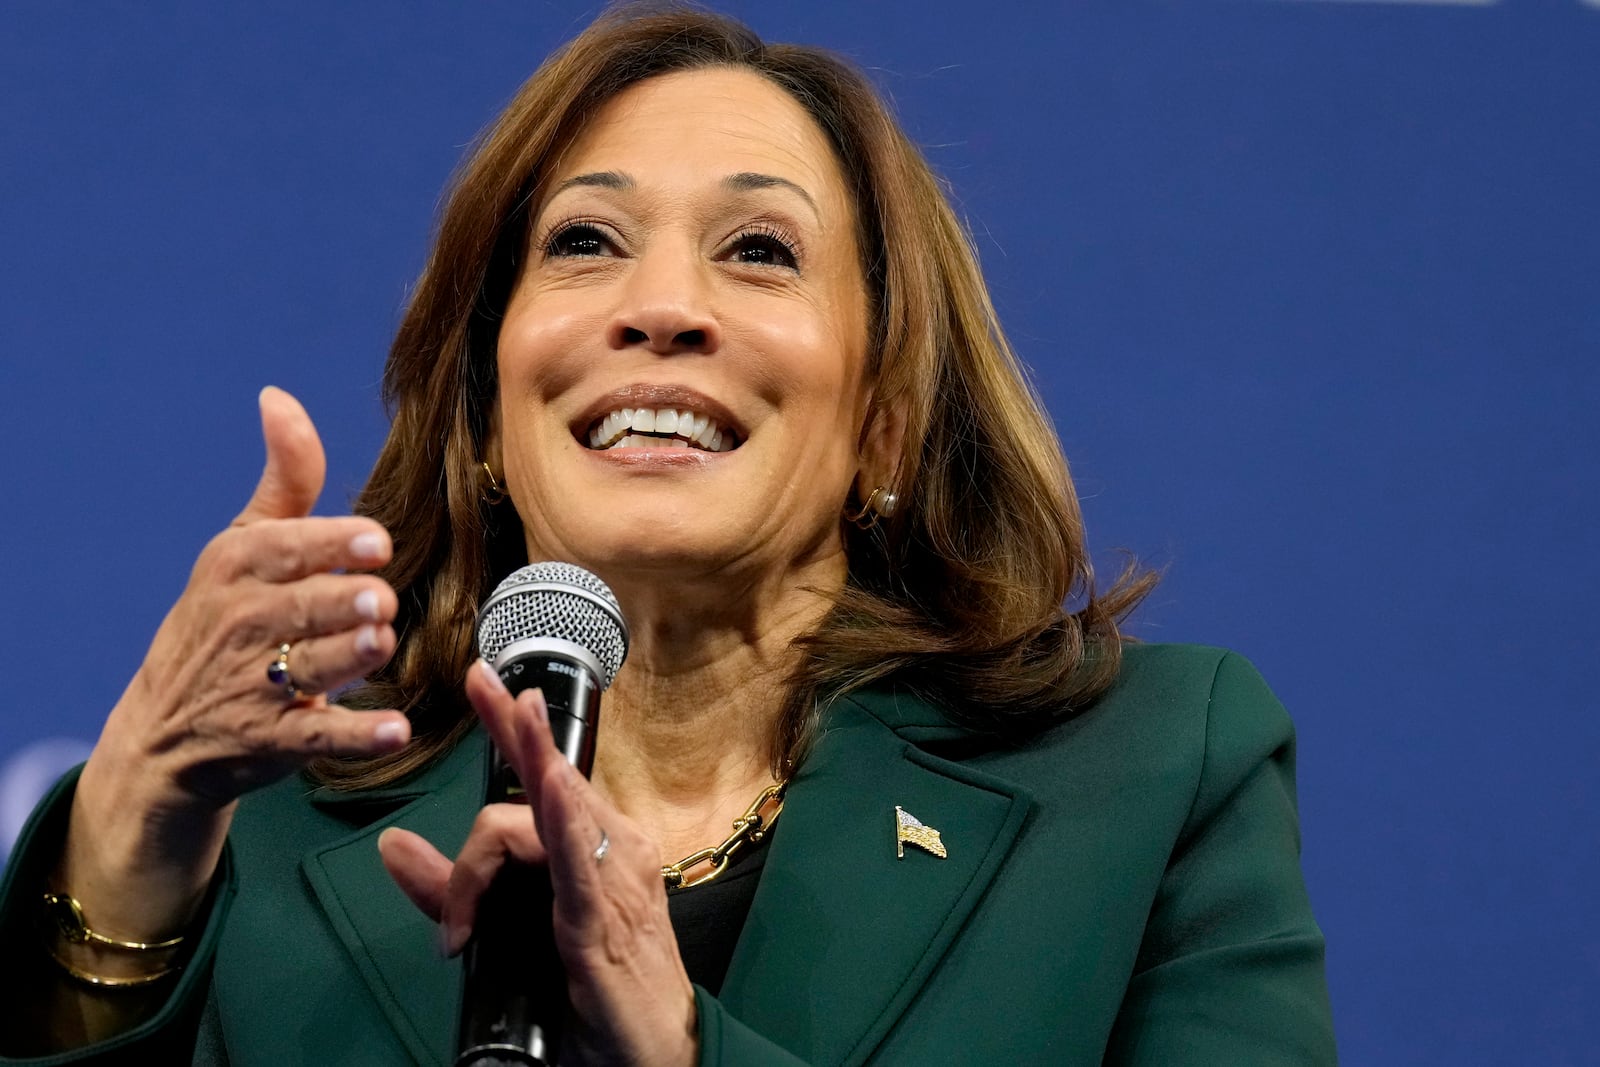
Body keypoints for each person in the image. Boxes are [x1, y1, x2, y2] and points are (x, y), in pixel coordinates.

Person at [0, 6, 1337, 1064]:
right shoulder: (271, 847)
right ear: (484, 411)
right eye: (587, 241)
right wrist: (126, 836)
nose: (660, 308)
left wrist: (682, 1054)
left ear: (882, 421)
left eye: (759, 250)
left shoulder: (1144, 781)